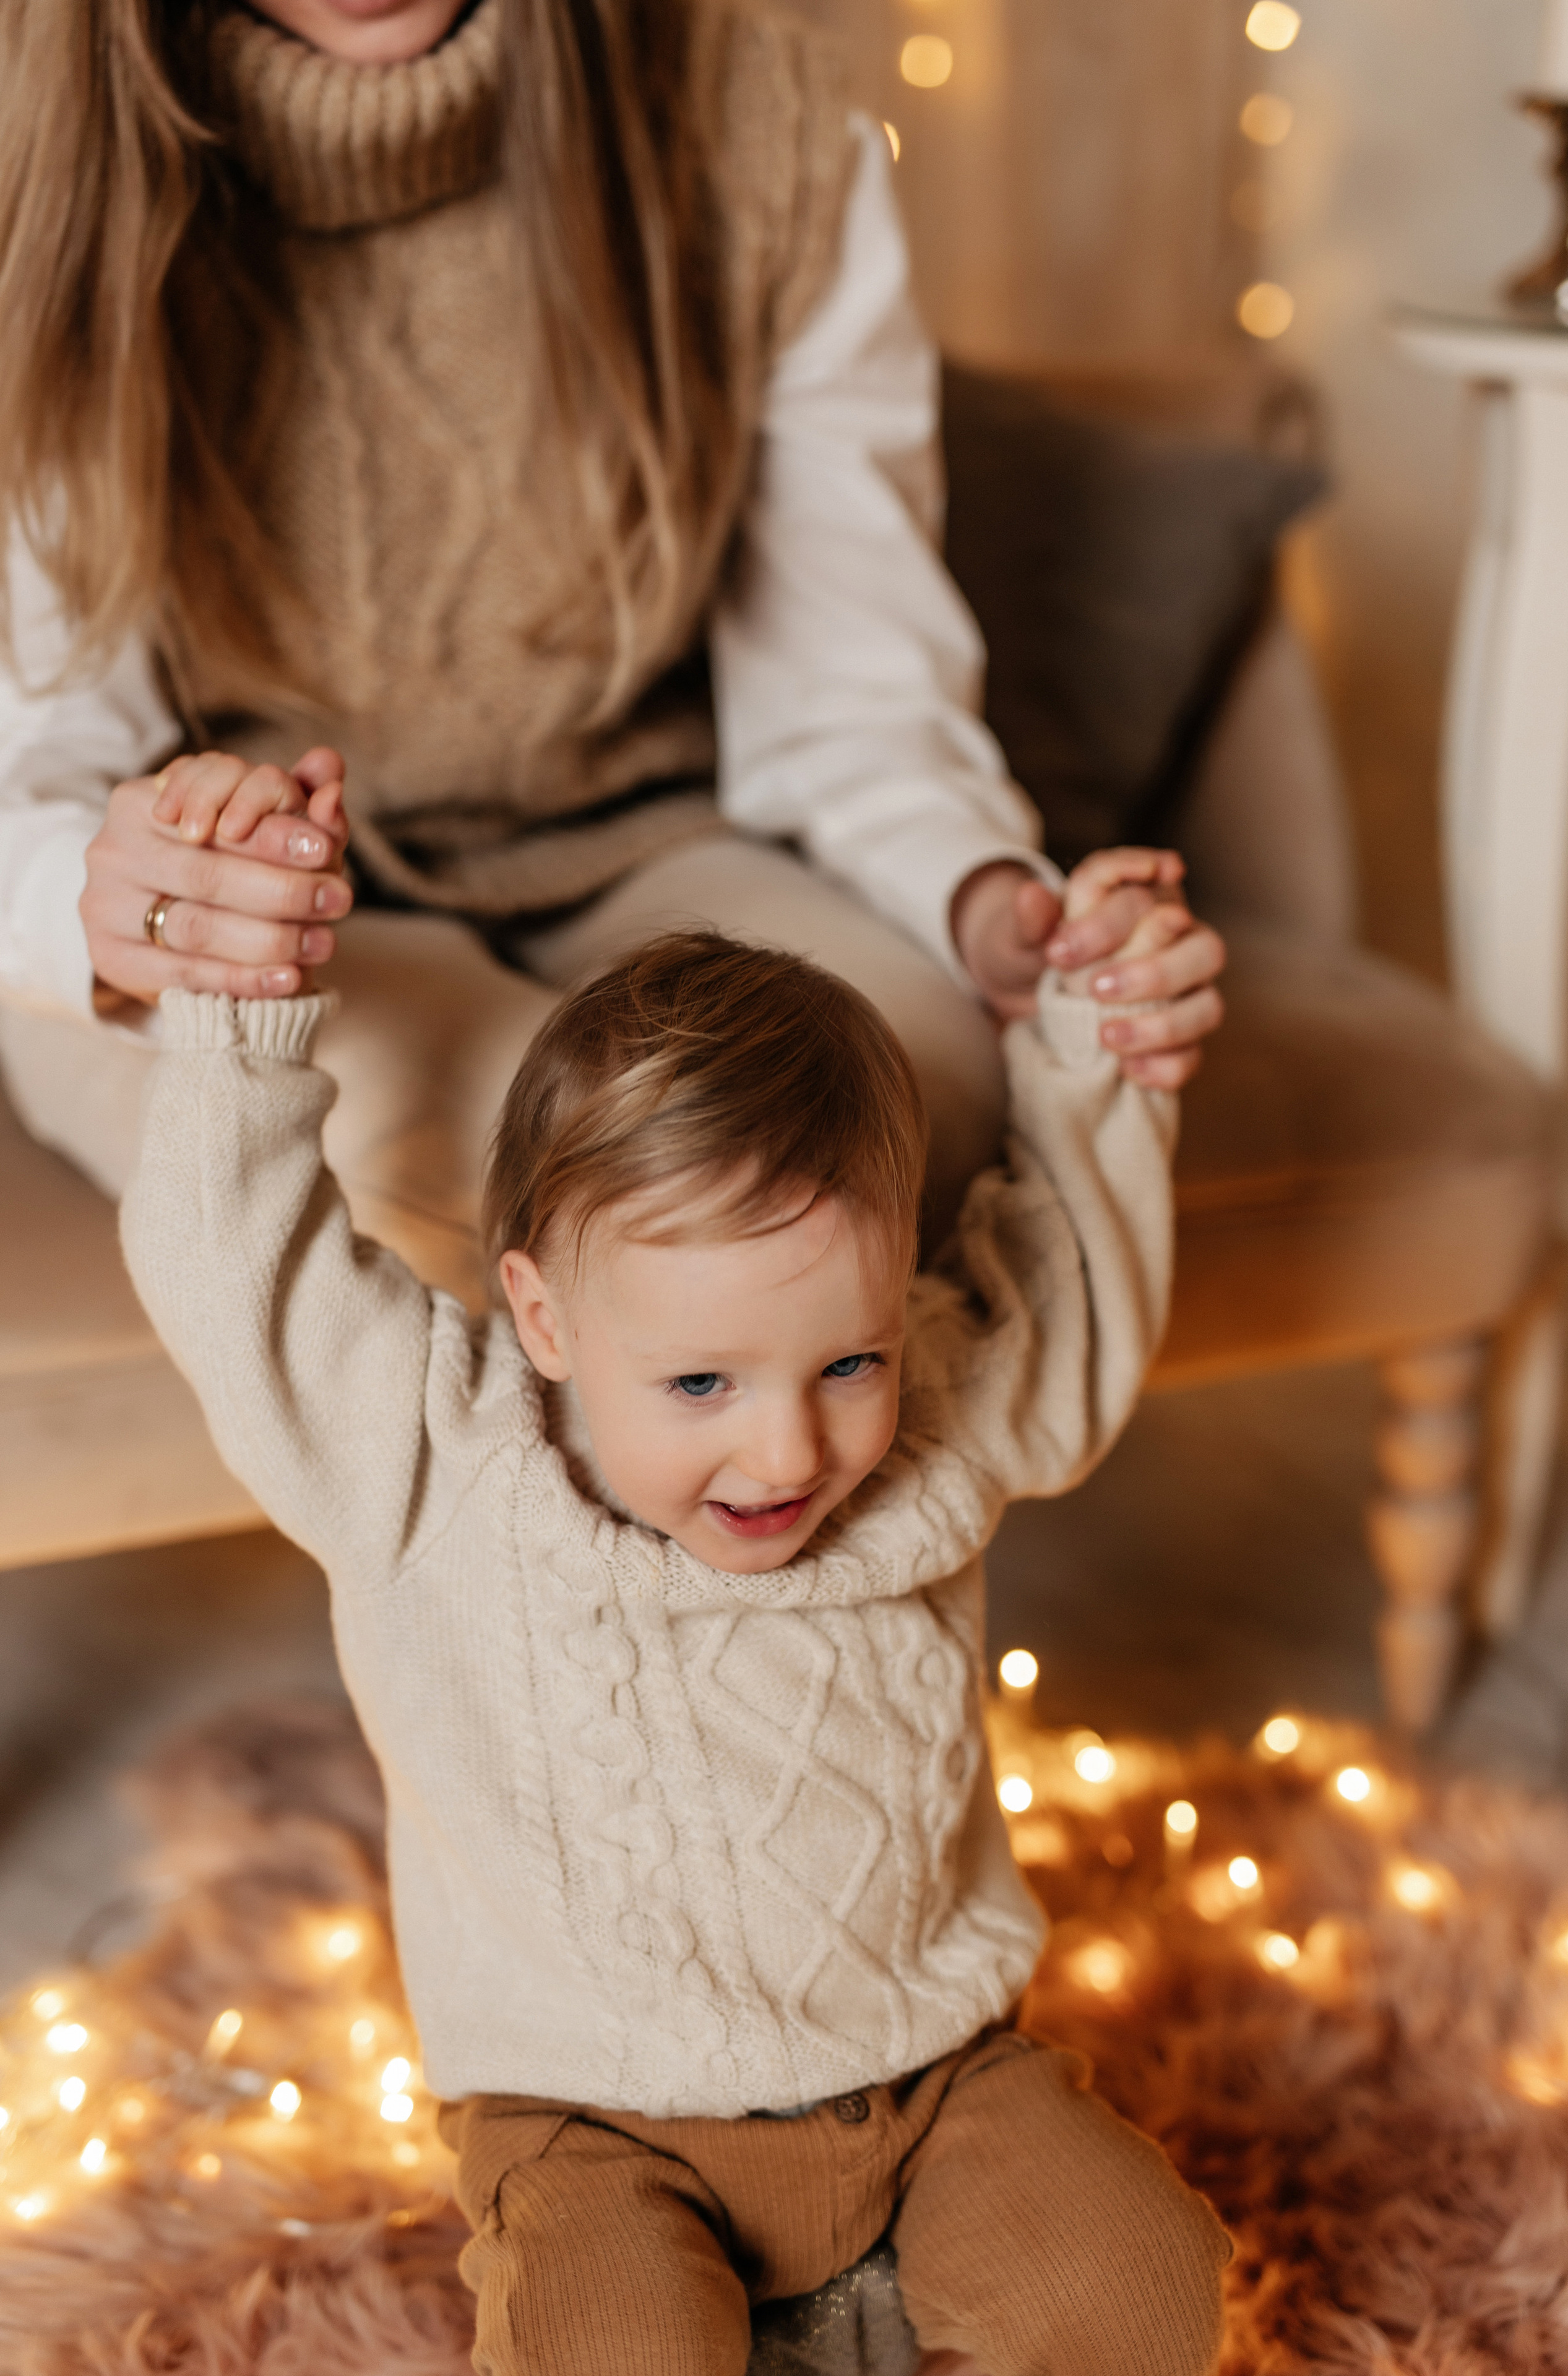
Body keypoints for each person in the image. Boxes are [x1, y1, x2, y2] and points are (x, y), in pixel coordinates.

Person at [121, 919, 1229, 2376]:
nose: (787, 1448)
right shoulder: (430, 1461)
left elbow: (1059, 1303)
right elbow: (235, 1278)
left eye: (849, 1361)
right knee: (618, 2352)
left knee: (1145, 2294)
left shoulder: (941, 1410)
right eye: (699, 1380)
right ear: (544, 1317)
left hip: (933, 2073)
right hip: (594, 2118)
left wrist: (1099, 1050)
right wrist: (232, 1014)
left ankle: (870, 2305)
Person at [0, 0, 1224, 1294]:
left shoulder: (758, 122)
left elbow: (847, 694)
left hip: (644, 840)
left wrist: (980, 906)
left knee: (893, 1095)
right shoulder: (36, 133)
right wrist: (134, 912)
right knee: (576, 1186)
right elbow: (36, 756)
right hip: (231, 921)